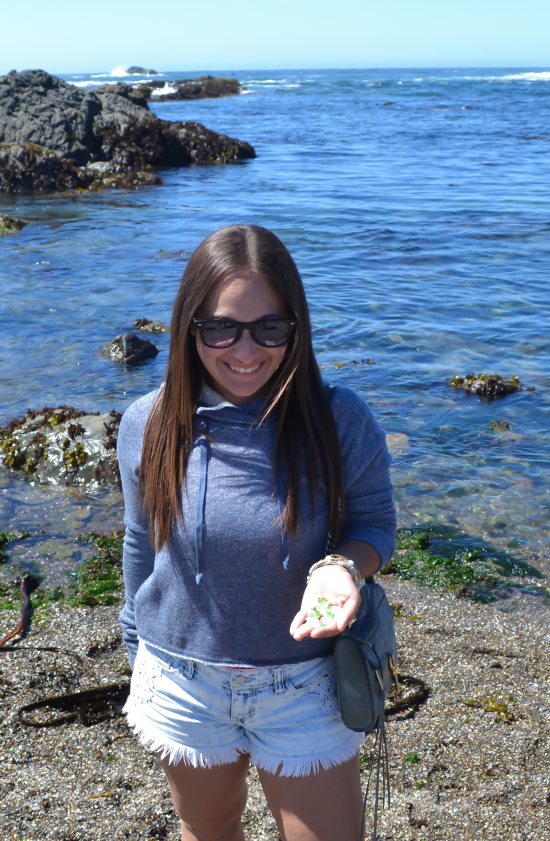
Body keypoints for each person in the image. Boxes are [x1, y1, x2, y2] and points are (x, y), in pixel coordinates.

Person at [118, 224, 396, 841]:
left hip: (306, 680)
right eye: (221, 327)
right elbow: (142, 541)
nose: (245, 351)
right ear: (189, 327)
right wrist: (137, 649)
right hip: (181, 674)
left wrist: (341, 566)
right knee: (208, 831)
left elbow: (375, 523)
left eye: (269, 328)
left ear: (295, 328)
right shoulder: (150, 422)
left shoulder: (339, 418)